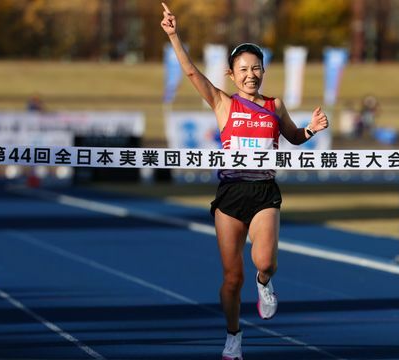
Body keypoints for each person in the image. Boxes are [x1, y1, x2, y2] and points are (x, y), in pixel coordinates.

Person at [160, 3, 329, 359]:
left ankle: (265, 284)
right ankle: (233, 336)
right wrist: (174, 35)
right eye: (244, 69)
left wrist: (311, 128)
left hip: (264, 191)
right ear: (232, 75)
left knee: (265, 262)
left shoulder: (274, 105)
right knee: (232, 278)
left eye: (256, 68)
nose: (251, 74)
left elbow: (294, 137)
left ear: (264, 70)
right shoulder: (223, 104)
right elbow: (191, 73)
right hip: (231, 194)